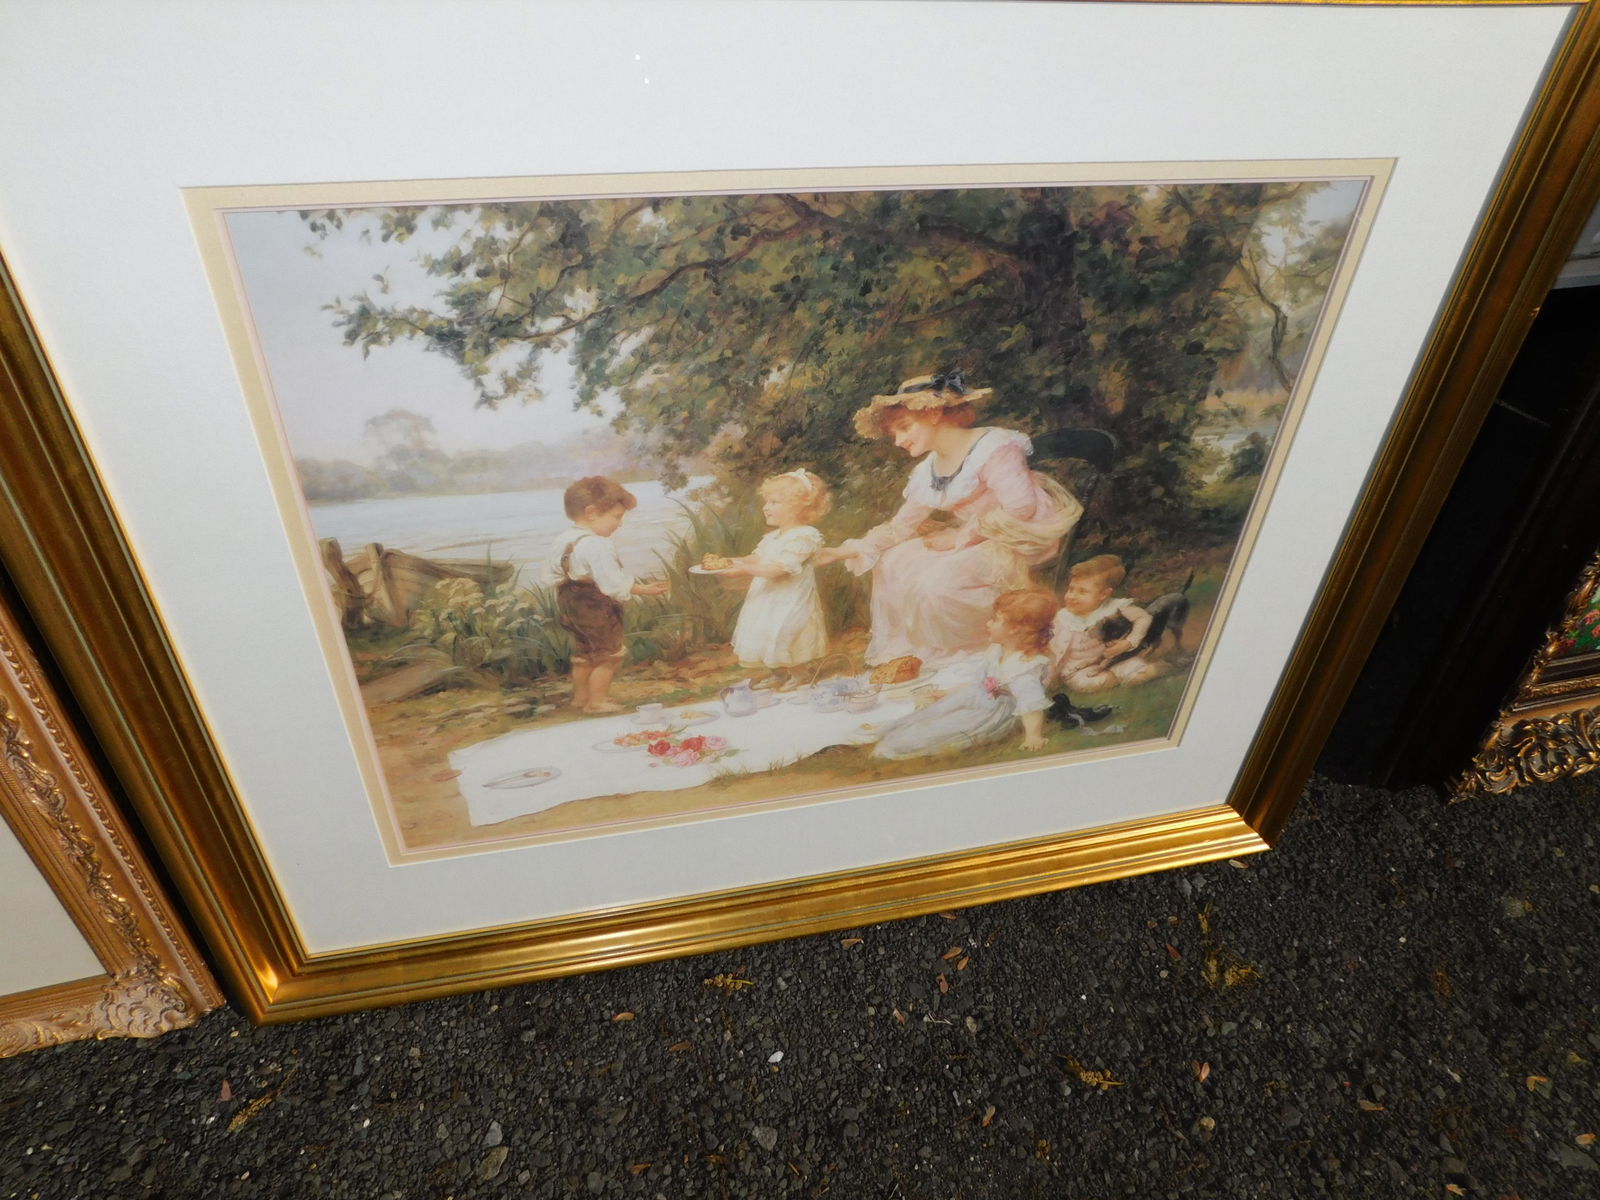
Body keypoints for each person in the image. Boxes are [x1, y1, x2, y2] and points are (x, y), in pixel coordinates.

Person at [813, 370, 1081, 667]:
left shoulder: (994, 446)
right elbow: (901, 527)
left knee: (936, 584)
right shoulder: (927, 470)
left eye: (904, 427)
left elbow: (1021, 509)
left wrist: (960, 537)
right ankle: (922, 654)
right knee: (892, 562)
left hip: (1021, 534)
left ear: (934, 413)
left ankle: (971, 655)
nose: (899, 441)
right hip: (979, 534)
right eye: (895, 434)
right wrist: (844, 551)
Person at [871, 590, 1056, 760]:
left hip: (991, 713)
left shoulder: (1022, 668)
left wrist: (1033, 736)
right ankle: (890, 732)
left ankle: (897, 744)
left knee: (940, 729)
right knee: (933, 713)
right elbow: (980, 684)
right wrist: (950, 693)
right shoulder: (996, 651)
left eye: (995, 620)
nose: (988, 623)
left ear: (1014, 629)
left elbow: (1031, 706)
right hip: (975, 697)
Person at [541, 476, 669, 713]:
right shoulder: (596, 544)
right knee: (609, 655)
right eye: (616, 516)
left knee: (584, 653)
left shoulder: (563, 539)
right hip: (595, 606)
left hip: (569, 603)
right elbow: (612, 584)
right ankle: (597, 702)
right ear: (592, 513)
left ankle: (580, 699)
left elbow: (551, 575)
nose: (619, 524)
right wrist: (643, 589)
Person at [719, 468, 832, 685]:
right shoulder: (773, 538)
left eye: (773, 502)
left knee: (784, 633)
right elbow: (756, 558)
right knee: (764, 631)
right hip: (767, 597)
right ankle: (778, 674)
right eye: (767, 501)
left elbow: (778, 569)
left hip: (790, 599)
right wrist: (730, 562)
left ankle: (800, 673)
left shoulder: (804, 536)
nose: (765, 507)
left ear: (797, 507)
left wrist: (743, 570)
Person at [1048, 554, 1159, 692]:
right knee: (1085, 682)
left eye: (1082, 592)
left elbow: (1144, 617)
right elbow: (1050, 648)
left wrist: (1129, 642)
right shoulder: (1062, 618)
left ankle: (1129, 674)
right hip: (1077, 668)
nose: (1072, 596)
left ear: (1104, 595)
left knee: (1138, 666)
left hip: (1113, 660)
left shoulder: (1113, 608)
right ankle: (1113, 679)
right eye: (1071, 589)